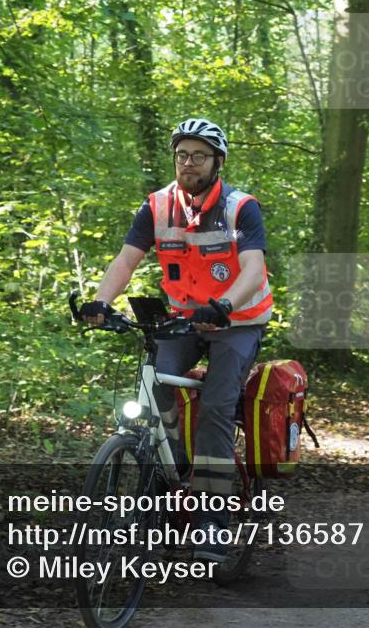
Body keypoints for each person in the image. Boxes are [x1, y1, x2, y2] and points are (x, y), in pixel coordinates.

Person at [79, 118, 272, 562]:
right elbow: (126, 260)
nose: (189, 163)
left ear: (218, 162)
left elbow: (253, 269)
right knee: (154, 386)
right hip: (184, 319)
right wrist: (101, 302)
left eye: (199, 156)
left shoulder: (240, 207)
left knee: (217, 409)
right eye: (182, 155)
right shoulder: (157, 205)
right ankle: (174, 466)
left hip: (237, 320)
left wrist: (224, 305)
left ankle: (213, 520)